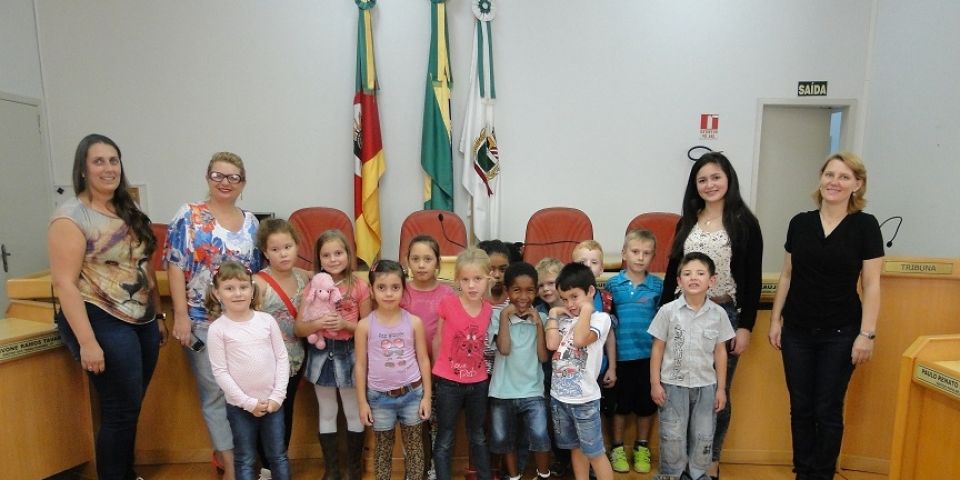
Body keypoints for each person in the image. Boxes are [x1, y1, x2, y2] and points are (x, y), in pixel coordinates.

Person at [50, 134, 166, 480]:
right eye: (98, 161)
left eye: (113, 160)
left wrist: (158, 315)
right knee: (119, 409)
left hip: (141, 318)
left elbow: (144, 266)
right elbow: (65, 283)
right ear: (83, 170)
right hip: (100, 316)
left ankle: (125, 473)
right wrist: (87, 342)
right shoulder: (71, 217)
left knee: (131, 406)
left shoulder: (128, 210)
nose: (108, 168)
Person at [768, 152, 882, 480]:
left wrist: (867, 333)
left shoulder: (865, 225)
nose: (835, 182)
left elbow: (872, 284)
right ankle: (803, 473)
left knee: (827, 410)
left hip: (842, 332)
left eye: (844, 177)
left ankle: (822, 475)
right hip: (797, 332)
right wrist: (776, 320)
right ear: (820, 179)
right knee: (801, 408)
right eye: (830, 174)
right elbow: (787, 275)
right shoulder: (800, 223)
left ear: (857, 185)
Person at [660, 152, 763, 479]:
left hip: (722, 317)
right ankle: (678, 467)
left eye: (716, 177)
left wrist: (745, 325)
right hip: (680, 317)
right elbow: (670, 273)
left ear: (728, 179)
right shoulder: (686, 221)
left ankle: (708, 464)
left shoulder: (745, 222)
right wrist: (662, 317)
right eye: (702, 179)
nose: (710, 184)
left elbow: (753, 278)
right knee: (679, 392)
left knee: (716, 394)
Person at [166, 151, 262, 479]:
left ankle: (247, 459)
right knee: (215, 394)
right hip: (202, 323)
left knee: (245, 392)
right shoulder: (189, 216)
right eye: (218, 175)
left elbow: (257, 275)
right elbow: (175, 265)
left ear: (243, 183)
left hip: (243, 323)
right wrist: (180, 316)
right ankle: (232, 466)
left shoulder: (252, 223)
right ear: (208, 178)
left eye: (233, 177)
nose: (225, 182)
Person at [649, 252, 735, 480]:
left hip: (706, 386)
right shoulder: (667, 311)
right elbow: (657, 348)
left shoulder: (718, 315)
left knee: (704, 435)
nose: (693, 278)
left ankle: (697, 475)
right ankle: (670, 474)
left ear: (712, 280)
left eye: (700, 273)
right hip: (672, 385)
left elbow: (721, 353)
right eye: (687, 274)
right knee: (672, 433)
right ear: (679, 281)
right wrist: (655, 383)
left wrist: (721, 389)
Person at [295, 229, 371, 480]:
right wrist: (319, 325)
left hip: (350, 353)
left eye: (338, 253)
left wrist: (346, 325)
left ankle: (354, 470)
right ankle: (332, 470)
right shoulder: (313, 287)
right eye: (326, 255)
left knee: (352, 410)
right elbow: (299, 327)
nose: (333, 259)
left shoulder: (360, 286)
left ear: (348, 254)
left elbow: (369, 326)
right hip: (321, 353)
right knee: (327, 411)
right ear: (318, 259)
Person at [206, 261, 291, 480]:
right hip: (240, 407)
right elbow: (220, 372)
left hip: (273, 404)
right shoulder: (217, 329)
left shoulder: (267, 321)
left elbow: (282, 358)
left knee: (278, 456)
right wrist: (247, 402)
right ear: (217, 293)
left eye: (243, 287)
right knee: (244, 458)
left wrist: (277, 396)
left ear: (252, 289)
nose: (237, 293)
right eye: (229, 288)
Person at [355, 260, 432, 480]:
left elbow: (424, 360)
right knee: (383, 451)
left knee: (415, 449)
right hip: (379, 398)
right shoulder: (364, 326)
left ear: (403, 289)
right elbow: (360, 366)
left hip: (412, 394)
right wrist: (362, 402)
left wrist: (426, 396)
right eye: (381, 287)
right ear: (371, 290)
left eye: (395, 287)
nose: (389, 293)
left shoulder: (414, 322)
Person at [252, 219, 312, 479]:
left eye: (287, 246)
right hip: (266, 361)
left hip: (298, 357)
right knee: (267, 412)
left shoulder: (306, 277)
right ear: (265, 252)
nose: (283, 253)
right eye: (275, 249)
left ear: (297, 246)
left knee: (286, 411)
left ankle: (278, 462)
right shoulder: (258, 283)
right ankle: (266, 467)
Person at [544, 263, 614, 480]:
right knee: (575, 448)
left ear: (591, 291)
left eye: (574, 297)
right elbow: (551, 344)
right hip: (560, 398)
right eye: (564, 299)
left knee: (595, 453)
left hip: (584, 401)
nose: (569, 304)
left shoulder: (600, 319)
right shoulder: (564, 319)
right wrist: (554, 313)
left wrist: (586, 309)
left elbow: (581, 339)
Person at [604, 230, 663, 474]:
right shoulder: (613, 284)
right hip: (619, 357)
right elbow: (607, 322)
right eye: (635, 252)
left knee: (645, 406)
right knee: (619, 406)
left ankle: (641, 447)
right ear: (624, 253)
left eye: (646, 253)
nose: (640, 258)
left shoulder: (657, 286)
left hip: (649, 358)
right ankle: (616, 447)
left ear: (653, 256)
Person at [432, 248, 494, 480]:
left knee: (477, 435)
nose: (471, 285)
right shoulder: (448, 304)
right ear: (457, 280)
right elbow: (438, 339)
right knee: (446, 437)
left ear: (488, 278)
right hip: (448, 383)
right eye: (465, 280)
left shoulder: (488, 309)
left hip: (477, 383)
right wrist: (439, 374)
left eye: (477, 279)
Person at [488, 262, 552, 480]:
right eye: (516, 290)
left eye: (530, 290)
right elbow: (504, 349)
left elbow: (544, 357)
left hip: (533, 392)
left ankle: (543, 474)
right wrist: (506, 316)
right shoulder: (498, 317)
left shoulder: (542, 318)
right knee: (506, 440)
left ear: (536, 291)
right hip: (502, 392)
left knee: (541, 436)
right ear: (507, 291)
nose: (523, 296)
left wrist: (538, 326)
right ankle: (514, 476)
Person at [401, 234, 455, 479]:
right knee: (413, 424)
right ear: (407, 262)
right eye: (415, 259)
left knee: (436, 422)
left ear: (437, 264)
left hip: (440, 371)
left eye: (427, 259)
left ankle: (435, 468)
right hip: (408, 372)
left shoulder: (448, 294)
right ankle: (416, 469)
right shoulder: (401, 292)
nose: (421, 264)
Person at [534, 257, 571, 477]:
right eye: (541, 285)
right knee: (553, 420)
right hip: (548, 375)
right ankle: (560, 460)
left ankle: (581, 461)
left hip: (572, 375)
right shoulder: (538, 310)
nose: (546, 289)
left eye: (551, 283)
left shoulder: (572, 307)